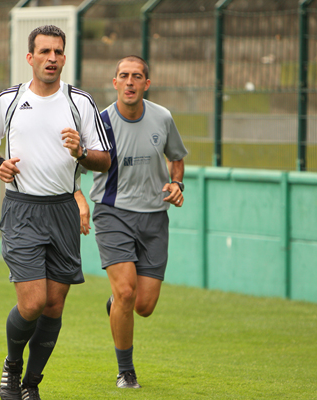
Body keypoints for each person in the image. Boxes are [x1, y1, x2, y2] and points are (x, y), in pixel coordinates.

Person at [0, 25, 111, 400]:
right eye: (45, 52)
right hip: (22, 209)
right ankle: (12, 365)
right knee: (33, 302)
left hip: (63, 211)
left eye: (58, 52)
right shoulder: (9, 99)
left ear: (64, 58)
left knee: (53, 305)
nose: (52, 58)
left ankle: (31, 385)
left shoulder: (81, 102)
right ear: (30, 57)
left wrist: (81, 152)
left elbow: (104, 161)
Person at [84, 55, 187, 389]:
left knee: (144, 306)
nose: (130, 82)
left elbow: (177, 158)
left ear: (147, 83)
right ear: (114, 83)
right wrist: (78, 200)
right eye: (123, 76)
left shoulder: (163, 118)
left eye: (137, 76)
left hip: (155, 217)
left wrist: (177, 184)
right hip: (113, 212)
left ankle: (116, 305)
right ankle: (125, 371)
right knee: (127, 292)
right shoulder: (99, 122)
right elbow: (73, 167)